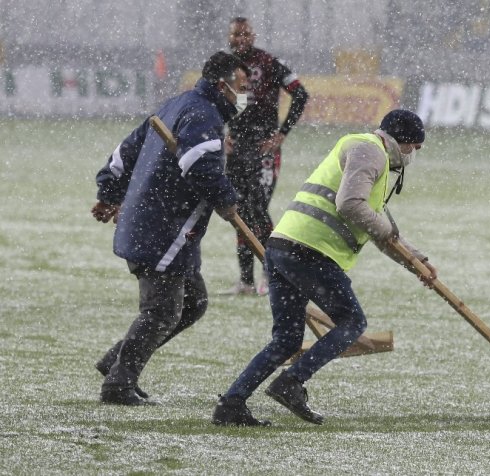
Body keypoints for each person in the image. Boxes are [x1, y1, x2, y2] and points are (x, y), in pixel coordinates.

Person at [211, 109, 438, 427]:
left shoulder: (369, 153)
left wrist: (417, 262)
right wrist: (389, 235)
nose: (414, 154)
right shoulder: (370, 151)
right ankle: (292, 383)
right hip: (311, 251)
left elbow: (379, 232)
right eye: (415, 147)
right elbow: (350, 205)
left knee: (287, 340)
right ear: (404, 142)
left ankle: (231, 404)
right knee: (352, 322)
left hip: (283, 248)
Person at [91, 51, 248, 405]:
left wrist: (110, 192)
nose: (244, 93)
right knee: (162, 311)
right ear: (222, 85)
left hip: (158, 223)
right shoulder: (202, 114)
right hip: (163, 228)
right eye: (241, 86)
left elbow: (124, 153)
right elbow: (200, 167)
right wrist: (227, 199)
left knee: (193, 303)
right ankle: (118, 385)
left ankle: (116, 362)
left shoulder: (178, 105)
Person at [221, 16, 309, 296]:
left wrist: (281, 133)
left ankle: (272, 276)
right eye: (236, 35)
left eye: (245, 34)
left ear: (253, 35)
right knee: (238, 212)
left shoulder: (269, 62)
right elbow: (212, 101)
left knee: (257, 209)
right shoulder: (222, 65)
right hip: (236, 149)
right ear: (229, 37)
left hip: (263, 148)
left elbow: (301, 94)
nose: (241, 39)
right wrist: (221, 134)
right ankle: (246, 282)